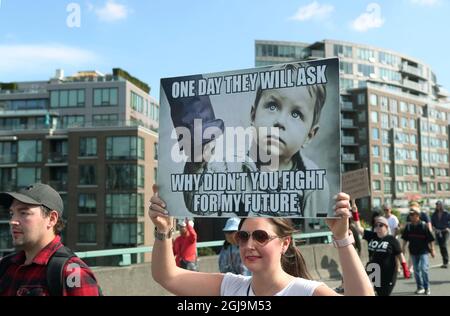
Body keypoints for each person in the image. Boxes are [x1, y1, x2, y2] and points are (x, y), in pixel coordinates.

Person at [149, 186, 374, 296]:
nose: (248, 245)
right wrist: (164, 229)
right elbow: (167, 275)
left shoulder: (307, 291)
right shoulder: (231, 287)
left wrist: (342, 236)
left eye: (261, 236)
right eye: (243, 236)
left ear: (285, 243)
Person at [183, 62, 331, 218]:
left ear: (309, 135)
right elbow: (198, 204)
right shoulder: (230, 166)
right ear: (253, 115)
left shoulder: (313, 184)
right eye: (272, 106)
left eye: (296, 114)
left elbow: (314, 232)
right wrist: (196, 163)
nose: (280, 121)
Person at [0, 183, 100, 296]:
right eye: (12, 213)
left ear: (51, 219)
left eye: (24, 213)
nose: (13, 221)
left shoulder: (72, 273)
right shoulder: (6, 266)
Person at [351, 202, 410, 296]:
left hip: (387, 274)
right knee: (366, 292)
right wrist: (355, 213)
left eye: (380, 225)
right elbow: (359, 228)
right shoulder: (372, 236)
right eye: (376, 225)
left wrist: (405, 268)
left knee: (383, 294)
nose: (377, 227)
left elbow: (400, 254)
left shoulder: (391, 239)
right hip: (372, 270)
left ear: (386, 227)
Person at [402, 206, 435, 295]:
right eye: (410, 214)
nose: (411, 216)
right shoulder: (408, 226)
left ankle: (427, 287)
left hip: (423, 251)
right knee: (416, 270)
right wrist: (403, 248)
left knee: (424, 269)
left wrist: (432, 250)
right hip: (413, 251)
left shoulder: (424, 226)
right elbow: (405, 239)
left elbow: (430, 239)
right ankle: (420, 287)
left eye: (413, 214)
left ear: (418, 215)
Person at [431, 201, 449, 268]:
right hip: (438, 232)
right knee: (441, 246)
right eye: (436, 205)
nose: (437, 206)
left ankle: (446, 262)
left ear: (442, 206)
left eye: (439, 205)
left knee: (443, 245)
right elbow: (432, 223)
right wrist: (434, 228)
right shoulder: (434, 214)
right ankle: (444, 262)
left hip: (445, 231)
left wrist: (448, 228)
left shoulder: (446, 213)